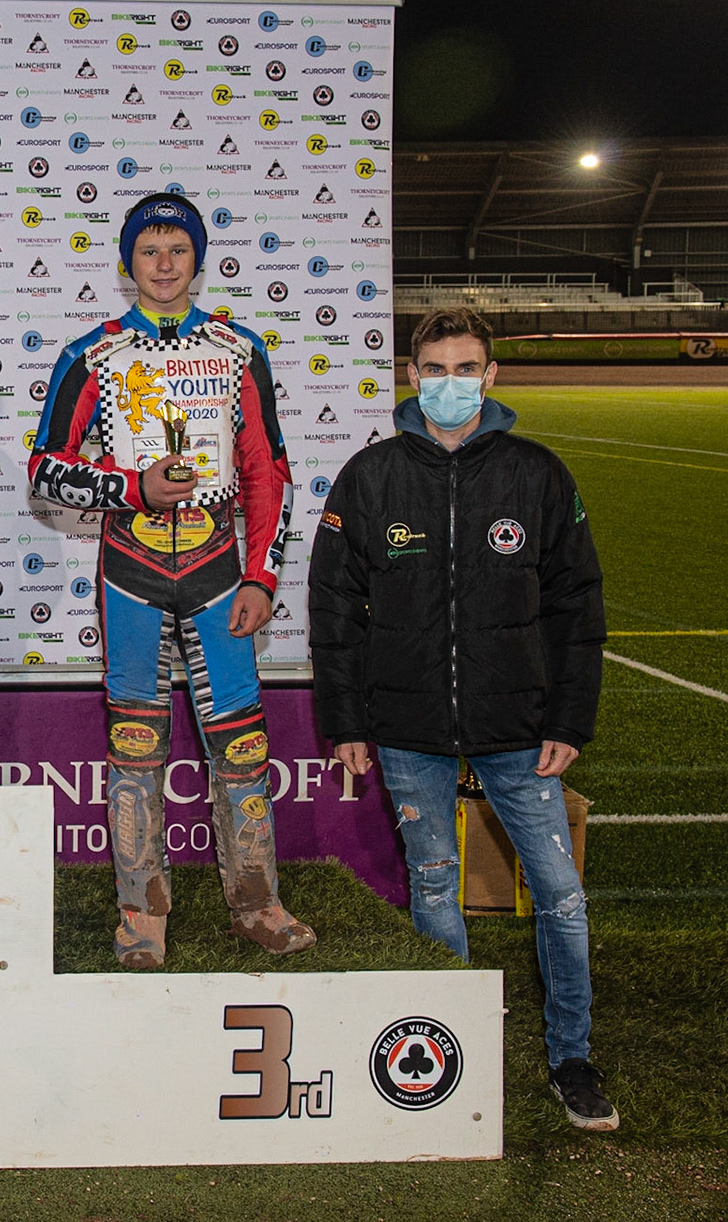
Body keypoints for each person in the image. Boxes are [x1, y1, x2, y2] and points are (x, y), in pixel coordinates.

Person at [309, 306, 615, 1131]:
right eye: (437, 368)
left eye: (468, 367)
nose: (452, 382)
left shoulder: (538, 474)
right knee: (436, 886)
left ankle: (572, 1057)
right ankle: (450, 1054)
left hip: (520, 726)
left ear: (491, 375)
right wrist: (346, 722)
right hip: (408, 727)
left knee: (560, 894)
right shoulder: (369, 477)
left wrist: (570, 719)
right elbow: (335, 613)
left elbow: (576, 608)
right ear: (413, 376)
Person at [28, 191, 315, 969]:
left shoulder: (237, 348)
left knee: (243, 746)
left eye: (178, 250)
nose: (163, 264)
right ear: (127, 263)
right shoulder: (92, 354)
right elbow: (46, 473)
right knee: (134, 746)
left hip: (222, 576)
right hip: (132, 575)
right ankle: (141, 911)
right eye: (149, 251)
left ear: (198, 259)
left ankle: (256, 902)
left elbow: (269, 471)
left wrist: (262, 574)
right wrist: (133, 489)